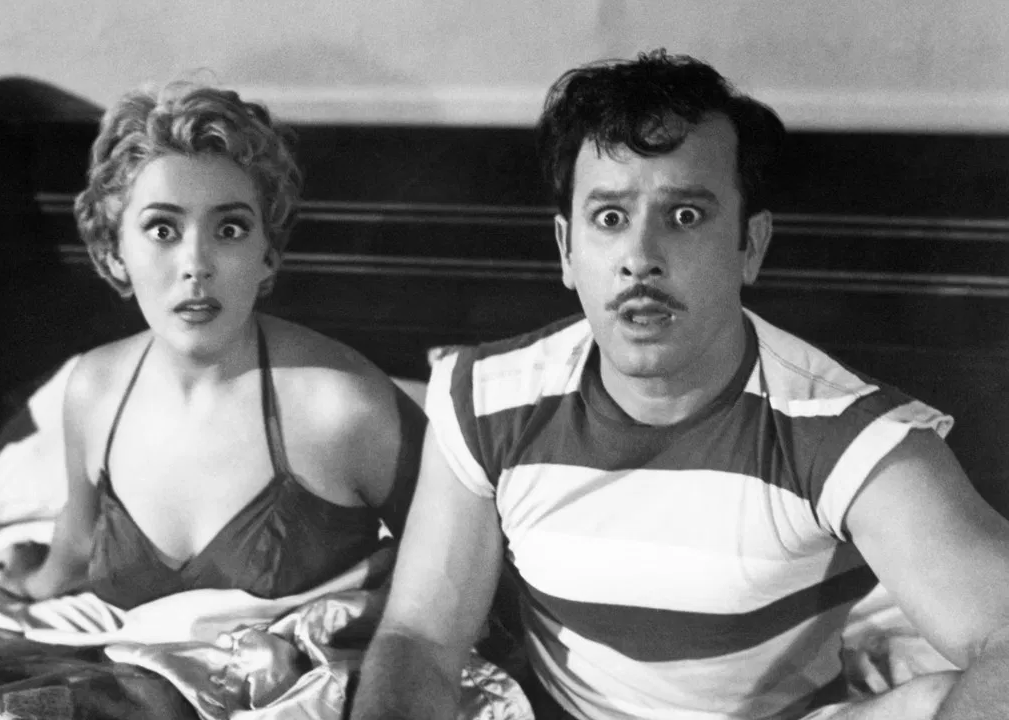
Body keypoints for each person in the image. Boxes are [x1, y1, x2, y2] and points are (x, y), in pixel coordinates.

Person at [351, 49, 1009, 720]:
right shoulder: (486, 397)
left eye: (685, 216)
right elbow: (422, 639)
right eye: (610, 218)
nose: (641, 258)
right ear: (566, 249)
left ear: (750, 245)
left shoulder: (848, 434)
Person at [0, 81, 423, 720]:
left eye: (229, 229)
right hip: (113, 674)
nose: (196, 264)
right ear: (115, 255)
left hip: (237, 693)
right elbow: (75, 549)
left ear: (268, 255)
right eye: (163, 229)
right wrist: (26, 576)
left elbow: (464, 571)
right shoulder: (95, 387)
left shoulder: (343, 405)